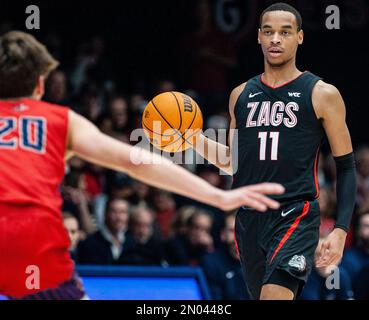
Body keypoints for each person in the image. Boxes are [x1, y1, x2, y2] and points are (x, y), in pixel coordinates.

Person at [0, 31, 283, 300]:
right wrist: (219, 197)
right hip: (35, 246)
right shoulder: (60, 120)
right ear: (40, 84)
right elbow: (136, 161)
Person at [191, 3, 356, 300]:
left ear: (300, 37)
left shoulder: (322, 93)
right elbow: (233, 162)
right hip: (249, 220)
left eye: (284, 32)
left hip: (295, 214)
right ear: (258, 37)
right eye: (268, 32)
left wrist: (341, 230)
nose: (275, 39)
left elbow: (346, 166)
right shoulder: (240, 95)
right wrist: (190, 138)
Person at [201, 212, 249, 300]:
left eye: (241, 230)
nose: (237, 236)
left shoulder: (260, 261)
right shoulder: (211, 262)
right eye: (231, 231)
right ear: (223, 235)